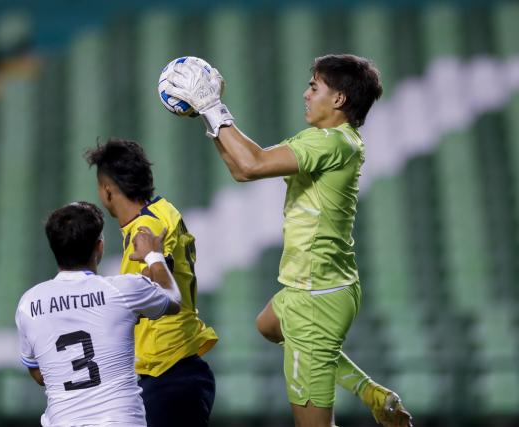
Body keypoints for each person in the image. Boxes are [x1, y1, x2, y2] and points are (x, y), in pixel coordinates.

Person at [163, 54, 412, 427]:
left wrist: (214, 107)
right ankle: (372, 392)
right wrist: (208, 116)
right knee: (269, 325)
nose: (305, 94)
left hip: (315, 299)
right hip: (317, 286)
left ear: (339, 99)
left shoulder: (331, 145)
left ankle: (367, 393)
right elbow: (241, 170)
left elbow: (252, 164)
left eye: (314, 87)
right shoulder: (325, 139)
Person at [85, 139, 219, 427]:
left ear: (107, 190)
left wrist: (152, 258)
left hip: (167, 373)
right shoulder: (163, 210)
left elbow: (162, 284)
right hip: (180, 370)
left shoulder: (144, 233)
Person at [15, 201, 182, 427]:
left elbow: (38, 374)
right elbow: (173, 299)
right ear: (99, 247)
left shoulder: (29, 303)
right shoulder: (122, 290)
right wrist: (154, 257)